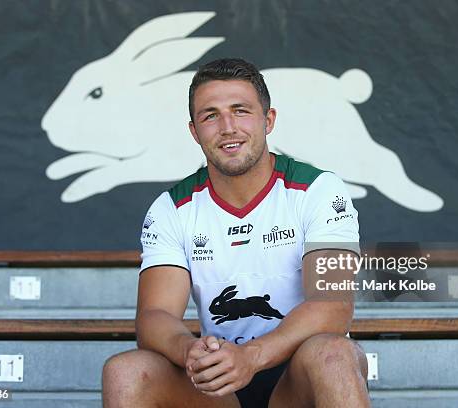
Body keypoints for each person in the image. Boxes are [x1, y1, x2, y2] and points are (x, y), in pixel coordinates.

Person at [102, 58, 370, 407]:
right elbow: (155, 316)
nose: (228, 127)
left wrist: (253, 356)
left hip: (298, 378)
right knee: (124, 371)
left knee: (335, 354)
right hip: (218, 381)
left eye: (240, 110)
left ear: (268, 120)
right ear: (194, 131)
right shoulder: (171, 208)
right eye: (210, 115)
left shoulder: (320, 190)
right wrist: (189, 350)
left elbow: (333, 305)